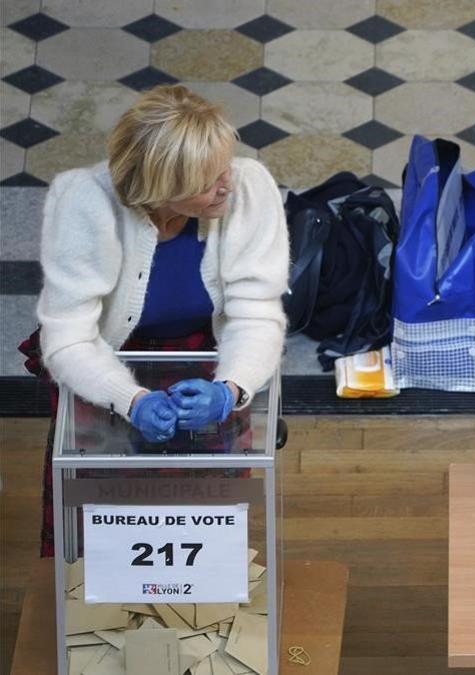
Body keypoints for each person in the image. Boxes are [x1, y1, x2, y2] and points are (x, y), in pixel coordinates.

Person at [27, 84, 288, 555]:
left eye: (225, 165)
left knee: (206, 510)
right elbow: (68, 339)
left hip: (203, 354)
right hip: (103, 365)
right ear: (160, 189)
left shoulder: (248, 190)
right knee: (103, 505)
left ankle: (198, 598)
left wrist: (230, 389)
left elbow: (258, 314)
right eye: (208, 180)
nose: (227, 183)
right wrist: (130, 399)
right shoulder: (83, 202)